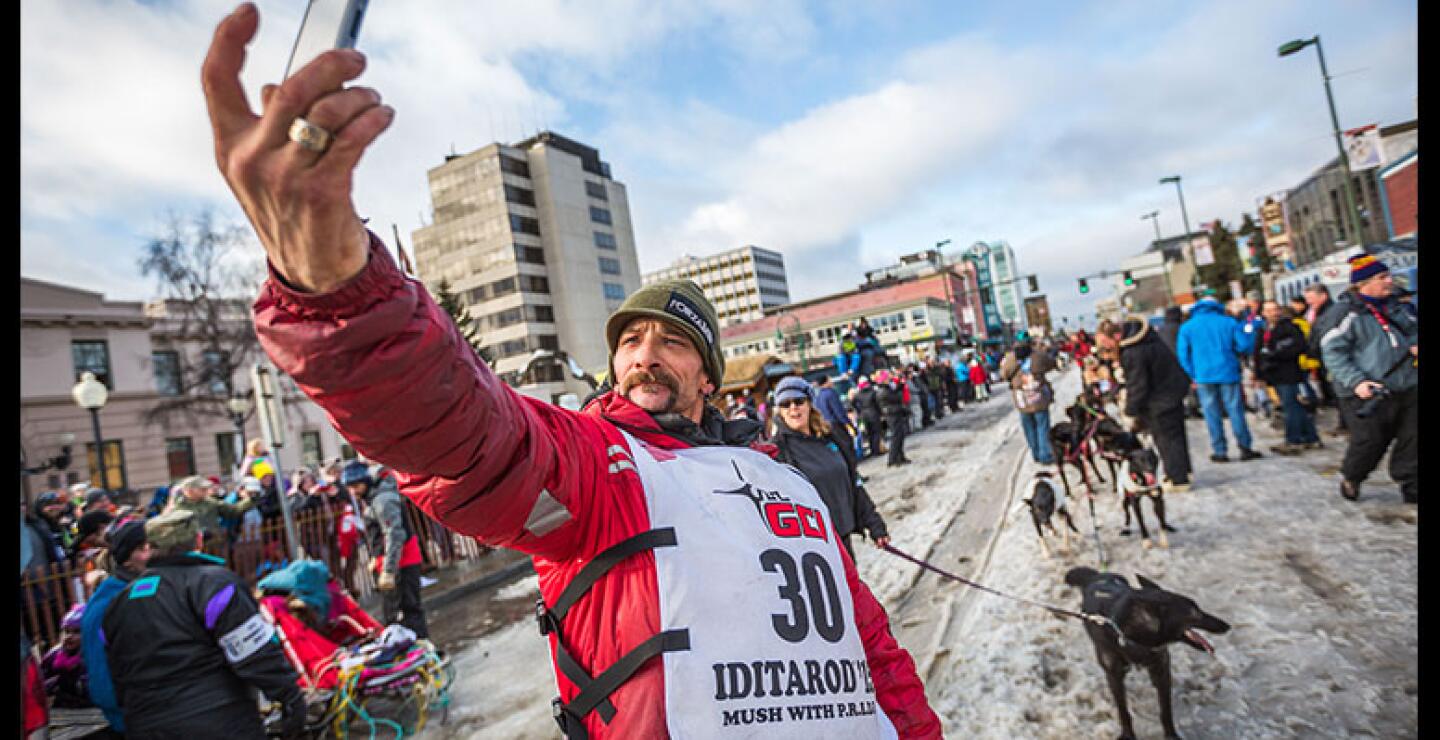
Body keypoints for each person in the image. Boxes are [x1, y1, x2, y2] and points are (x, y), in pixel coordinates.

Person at [205, 9, 939, 735]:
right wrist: (335, 288)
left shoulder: (783, 479)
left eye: (674, 343)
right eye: (632, 340)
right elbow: (463, 435)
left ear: (710, 377)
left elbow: (871, 647)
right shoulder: (600, 466)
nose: (645, 355)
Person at [103, 509, 306, 737]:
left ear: (150, 547)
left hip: (146, 722)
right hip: (217, 717)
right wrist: (290, 697)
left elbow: (116, 671)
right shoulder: (214, 584)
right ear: (198, 540)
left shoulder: (119, 603)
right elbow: (253, 651)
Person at [1320, 255, 1418, 503]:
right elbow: (1332, 351)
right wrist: (1357, 381)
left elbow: (1412, 332)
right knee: (1370, 441)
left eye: (1388, 276)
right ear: (1363, 283)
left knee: (1413, 436)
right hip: (1366, 390)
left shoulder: (1398, 306)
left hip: (1406, 383)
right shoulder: (1347, 313)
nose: (1390, 281)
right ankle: (1353, 476)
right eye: (1382, 277)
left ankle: (1410, 482)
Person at [770, 377, 890, 560]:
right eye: (785, 404)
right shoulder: (778, 451)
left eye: (798, 401)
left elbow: (853, 483)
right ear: (780, 412)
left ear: (810, 404)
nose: (793, 407)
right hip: (813, 549)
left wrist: (875, 525)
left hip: (843, 536)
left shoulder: (830, 437)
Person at [343, 461, 429, 639]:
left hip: (402, 562)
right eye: (350, 488)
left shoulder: (382, 500)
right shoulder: (374, 498)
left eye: (356, 486)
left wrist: (389, 570)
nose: (353, 492)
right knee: (394, 611)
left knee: (408, 609)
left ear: (366, 482)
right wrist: (376, 558)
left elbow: (394, 535)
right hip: (393, 561)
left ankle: (420, 647)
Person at [82, 519, 151, 735]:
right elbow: (102, 678)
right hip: (133, 718)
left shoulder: (143, 590)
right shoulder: (108, 603)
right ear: (127, 559)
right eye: (144, 548)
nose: (154, 554)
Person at [1176, 291, 1263, 463]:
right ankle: (1244, 447)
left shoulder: (1187, 327)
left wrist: (1193, 373)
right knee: (1235, 410)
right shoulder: (1229, 322)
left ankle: (1220, 450)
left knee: (1211, 413)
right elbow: (1244, 345)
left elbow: (1183, 355)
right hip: (1228, 372)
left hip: (1203, 375)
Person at [1110, 317, 1193, 492]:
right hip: (1172, 392)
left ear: (1117, 336)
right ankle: (1183, 471)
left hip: (1160, 400)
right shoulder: (1149, 339)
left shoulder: (1133, 351)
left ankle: (1178, 479)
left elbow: (1138, 385)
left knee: (1166, 440)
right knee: (1176, 436)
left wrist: (1131, 410)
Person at [1258, 300, 1321, 455]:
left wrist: (1275, 354)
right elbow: (1257, 352)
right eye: (1269, 310)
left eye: (1275, 309)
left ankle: (1294, 439)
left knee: (1291, 406)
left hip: (1288, 372)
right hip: (1274, 373)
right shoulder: (1263, 329)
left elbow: (1298, 347)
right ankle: (1310, 437)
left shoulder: (1289, 327)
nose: (1273, 313)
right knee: (1293, 405)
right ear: (1263, 313)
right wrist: (1259, 372)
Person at [999, 335, 1057, 465]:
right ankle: (1045, 454)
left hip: (1021, 398)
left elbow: (1003, 374)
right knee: (1042, 426)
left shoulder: (1010, 359)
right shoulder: (1038, 356)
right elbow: (1051, 364)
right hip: (1038, 395)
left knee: (1028, 427)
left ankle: (1036, 453)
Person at [169, 474, 257, 539]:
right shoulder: (178, 507)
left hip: (215, 544)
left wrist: (250, 500)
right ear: (189, 491)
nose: (205, 490)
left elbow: (232, 510)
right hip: (192, 549)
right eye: (201, 488)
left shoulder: (210, 502)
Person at [813, 374, 857, 455]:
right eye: (830, 379)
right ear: (826, 382)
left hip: (826, 425)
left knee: (839, 448)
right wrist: (849, 424)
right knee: (847, 446)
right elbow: (839, 412)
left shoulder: (818, 397)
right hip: (836, 425)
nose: (831, 381)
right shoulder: (830, 393)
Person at [853, 376, 886, 460]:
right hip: (873, 414)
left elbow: (853, 403)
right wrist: (881, 413)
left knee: (869, 433)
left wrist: (859, 411)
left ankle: (872, 450)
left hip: (863, 415)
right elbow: (878, 404)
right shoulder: (873, 392)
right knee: (876, 432)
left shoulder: (857, 394)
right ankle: (876, 450)